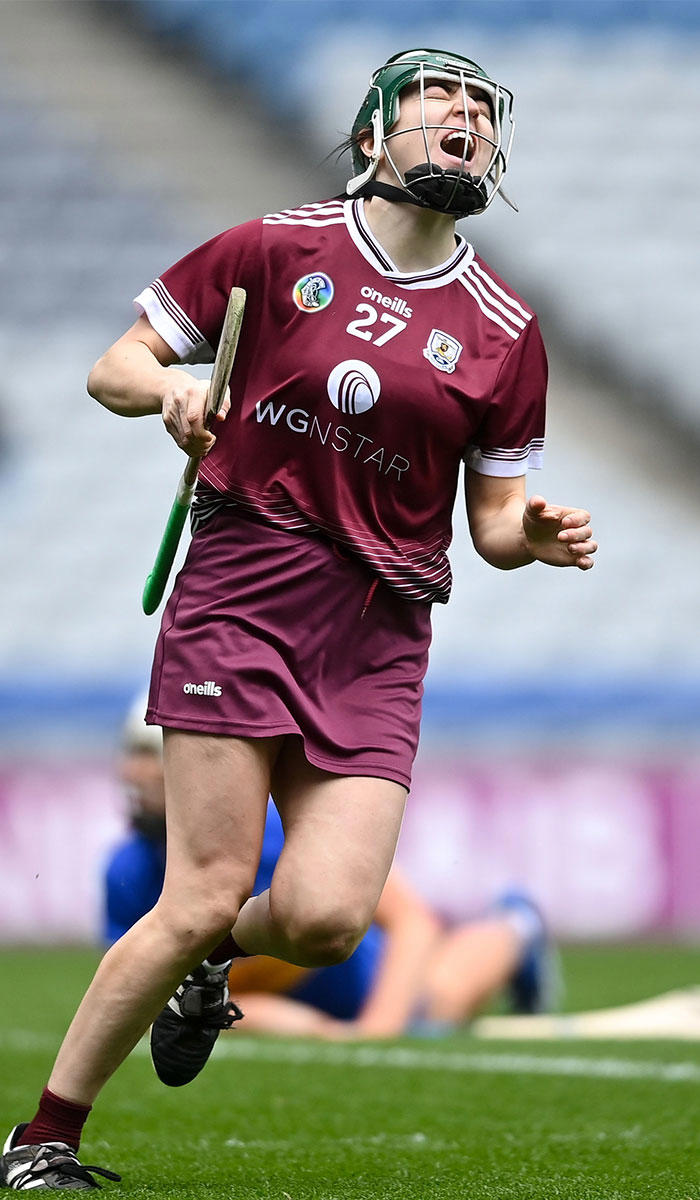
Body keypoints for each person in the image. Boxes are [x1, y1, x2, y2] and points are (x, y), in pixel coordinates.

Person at [1, 47, 596, 1190]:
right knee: (204, 887)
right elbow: (111, 366)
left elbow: (495, 523)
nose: (463, 128)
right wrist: (169, 385)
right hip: (242, 596)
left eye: (479, 116)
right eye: (438, 112)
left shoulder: (504, 328)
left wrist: (539, 538)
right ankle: (46, 1138)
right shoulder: (274, 250)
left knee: (326, 920)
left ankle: (209, 966)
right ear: (374, 137)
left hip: (379, 634)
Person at [103, 696, 557, 1041]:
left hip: (367, 985)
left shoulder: (272, 832)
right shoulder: (125, 872)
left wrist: (378, 1030)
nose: (133, 771)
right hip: (308, 1008)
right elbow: (154, 997)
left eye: (151, 751)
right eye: (132, 752)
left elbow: (413, 921)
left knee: (442, 997)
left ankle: (517, 926)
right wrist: (270, 1017)